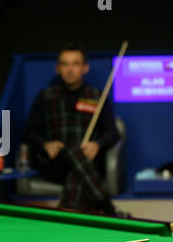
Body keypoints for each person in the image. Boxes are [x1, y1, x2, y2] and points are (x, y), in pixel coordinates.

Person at [23, 43, 127, 216]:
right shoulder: (45, 97)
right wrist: (46, 144)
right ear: (58, 68)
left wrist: (97, 144)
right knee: (71, 150)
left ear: (85, 67)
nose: (70, 69)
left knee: (75, 174)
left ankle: (65, 222)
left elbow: (113, 133)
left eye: (75, 63)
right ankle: (106, 206)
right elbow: (28, 133)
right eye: (65, 64)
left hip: (85, 165)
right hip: (54, 164)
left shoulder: (97, 97)